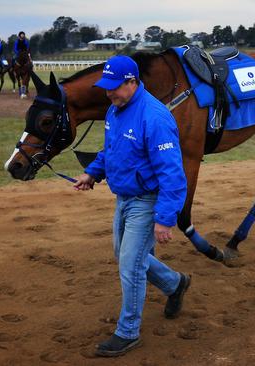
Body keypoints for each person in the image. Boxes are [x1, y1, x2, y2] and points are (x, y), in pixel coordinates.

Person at [73, 55, 191, 357]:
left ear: (132, 82)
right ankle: (175, 283)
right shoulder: (115, 110)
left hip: (146, 201)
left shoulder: (155, 117)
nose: (109, 93)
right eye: (107, 87)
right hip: (124, 198)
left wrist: (165, 218)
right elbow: (111, 150)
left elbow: (173, 174)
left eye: (115, 87)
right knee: (124, 255)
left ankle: (127, 332)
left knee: (130, 265)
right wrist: (93, 173)